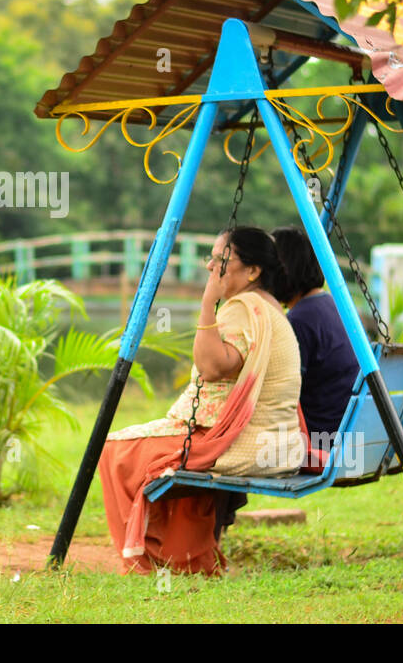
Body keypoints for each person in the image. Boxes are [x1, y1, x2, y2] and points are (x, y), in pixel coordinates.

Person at [97, 226, 307, 576]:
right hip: (273, 440)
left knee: (114, 451)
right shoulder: (269, 307)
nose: (210, 267)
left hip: (244, 443)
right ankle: (187, 559)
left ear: (253, 271)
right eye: (210, 258)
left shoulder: (244, 309)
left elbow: (211, 368)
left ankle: (147, 562)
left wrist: (208, 303)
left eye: (220, 260)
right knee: (175, 459)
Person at [271, 225, 361, 455]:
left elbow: (283, 395)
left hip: (322, 442)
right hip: (355, 432)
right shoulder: (336, 306)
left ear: (283, 270)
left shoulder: (300, 320)